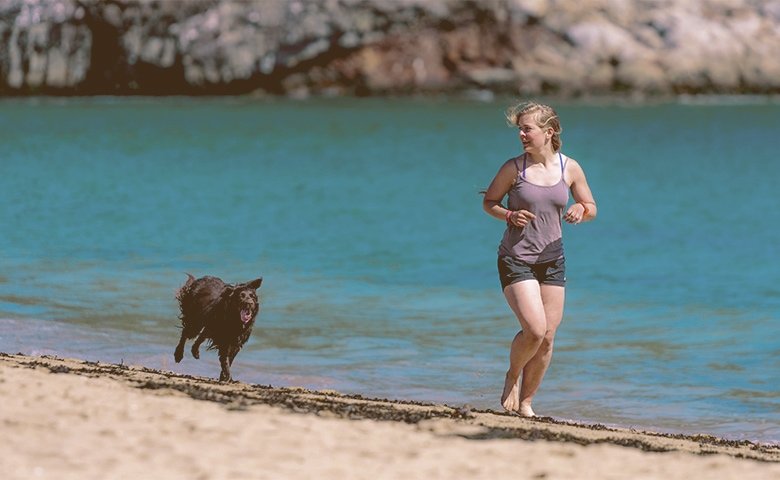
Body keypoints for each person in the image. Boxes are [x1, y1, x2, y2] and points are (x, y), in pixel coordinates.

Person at [482, 101, 597, 416]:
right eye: (519, 128)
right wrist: (508, 214)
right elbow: (489, 202)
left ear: (549, 132)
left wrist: (580, 210)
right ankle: (512, 375)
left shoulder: (569, 168)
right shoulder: (513, 168)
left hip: (553, 259)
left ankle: (527, 403)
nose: (521, 134)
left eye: (527, 128)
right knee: (533, 329)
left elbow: (591, 206)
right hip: (516, 258)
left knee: (547, 337)